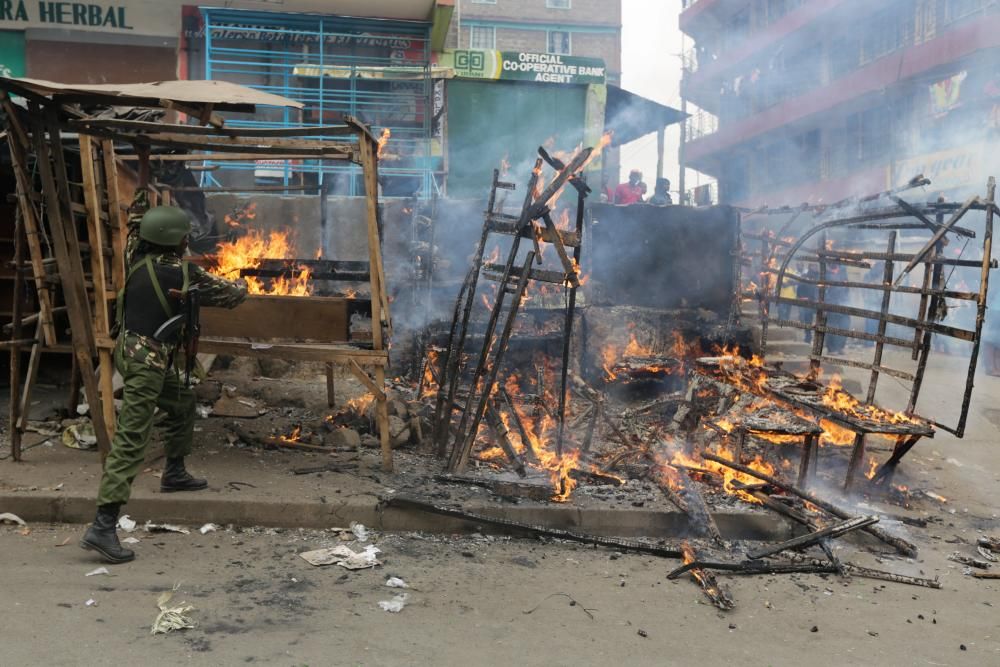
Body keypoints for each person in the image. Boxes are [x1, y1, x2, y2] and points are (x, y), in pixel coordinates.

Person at [80, 206, 249, 564]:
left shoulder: (135, 259)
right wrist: (244, 280)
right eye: (185, 236)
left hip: (130, 350)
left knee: (183, 400)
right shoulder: (185, 273)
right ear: (177, 241)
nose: (188, 240)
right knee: (131, 438)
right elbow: (233, 296)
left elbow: (135, 229)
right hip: (148, 363)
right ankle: (103, 525)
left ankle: (174, 472)